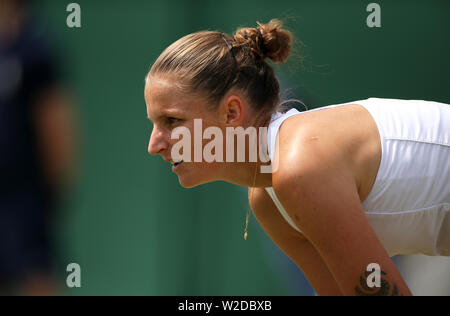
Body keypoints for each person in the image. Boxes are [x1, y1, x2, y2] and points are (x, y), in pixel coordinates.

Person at [144, 19, 449, 296]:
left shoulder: (300, 169)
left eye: (172, 120)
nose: (154, 144)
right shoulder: (266, 200)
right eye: (154, 124)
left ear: (232, 113)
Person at [0, 0, 76, 295]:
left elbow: (57, 128)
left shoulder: (35, 48)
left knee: (36, 278)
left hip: (23, 200)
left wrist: (51, 194)